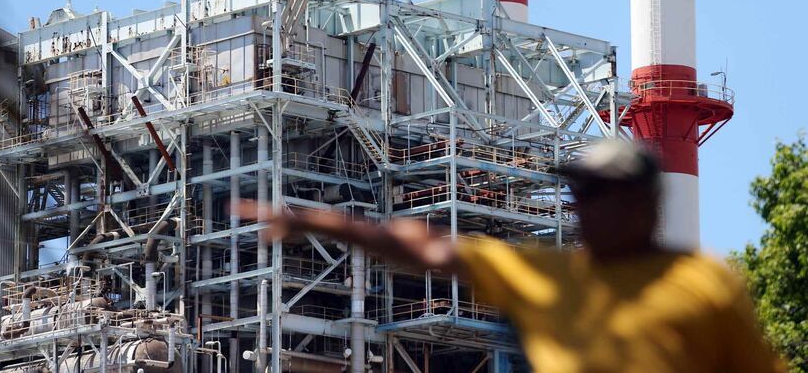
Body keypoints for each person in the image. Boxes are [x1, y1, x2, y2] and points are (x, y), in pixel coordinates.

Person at [234, 139, 785, 372]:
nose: (583, 206)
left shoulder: (705, 284)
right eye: (579, 191)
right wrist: (310, 219)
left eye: (600, 192)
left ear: (645, 202)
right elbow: (426, 248)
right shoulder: (546, 272)